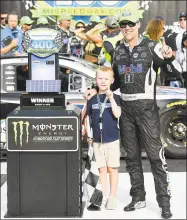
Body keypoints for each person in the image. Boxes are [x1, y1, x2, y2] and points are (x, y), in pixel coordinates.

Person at [85, 10, 182, 219]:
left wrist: (168, 57)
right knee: (132, 158)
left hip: (146, 109)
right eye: (123, 25)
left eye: (130, 24)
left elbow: (171, 70)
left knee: (156, 157)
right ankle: (138, 197)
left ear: (138, 24)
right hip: (126, 110)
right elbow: (116, 81)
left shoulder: (151, 46)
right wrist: (96, 88)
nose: (127, 28)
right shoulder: (118, 50)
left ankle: (164, 202)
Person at [86, 66, 121, 210]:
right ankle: (102, 196)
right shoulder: (92, 99)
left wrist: (112, 99)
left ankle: (112, 197)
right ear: (96, 80)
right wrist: (89, 134)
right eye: (100, 78)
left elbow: (117, 114)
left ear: (112, 81)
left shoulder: (116, 97)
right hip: (97, 141)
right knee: (101, 170)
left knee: (112, 168)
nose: (103, 81)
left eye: (106, 79)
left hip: (112, 140)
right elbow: (87, 119)